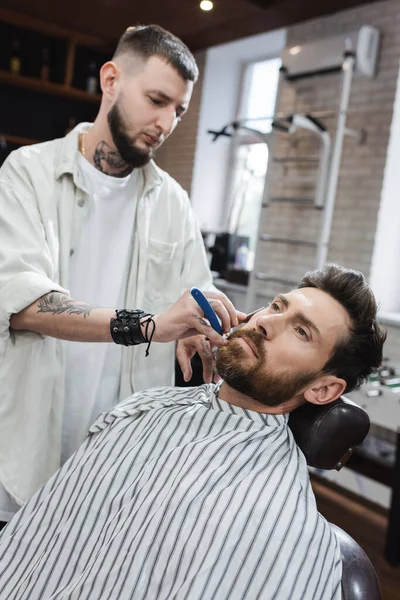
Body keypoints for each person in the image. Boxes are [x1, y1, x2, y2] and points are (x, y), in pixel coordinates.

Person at [0, 264, 386, 599]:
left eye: (301, 332)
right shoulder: (145, 407)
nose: (265, 322)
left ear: (323, 389)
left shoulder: (277, 524)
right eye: (277, 306)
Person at [0, 25, 237, 523]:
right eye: (156, 99)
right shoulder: (27, 173)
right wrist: (152, 326)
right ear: (110, 79)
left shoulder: (173, 201)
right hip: (22, 448)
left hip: (117, 464)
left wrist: (200, 325)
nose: (166, 122)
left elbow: (194, 289)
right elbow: (22, 304)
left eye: (179, 110)